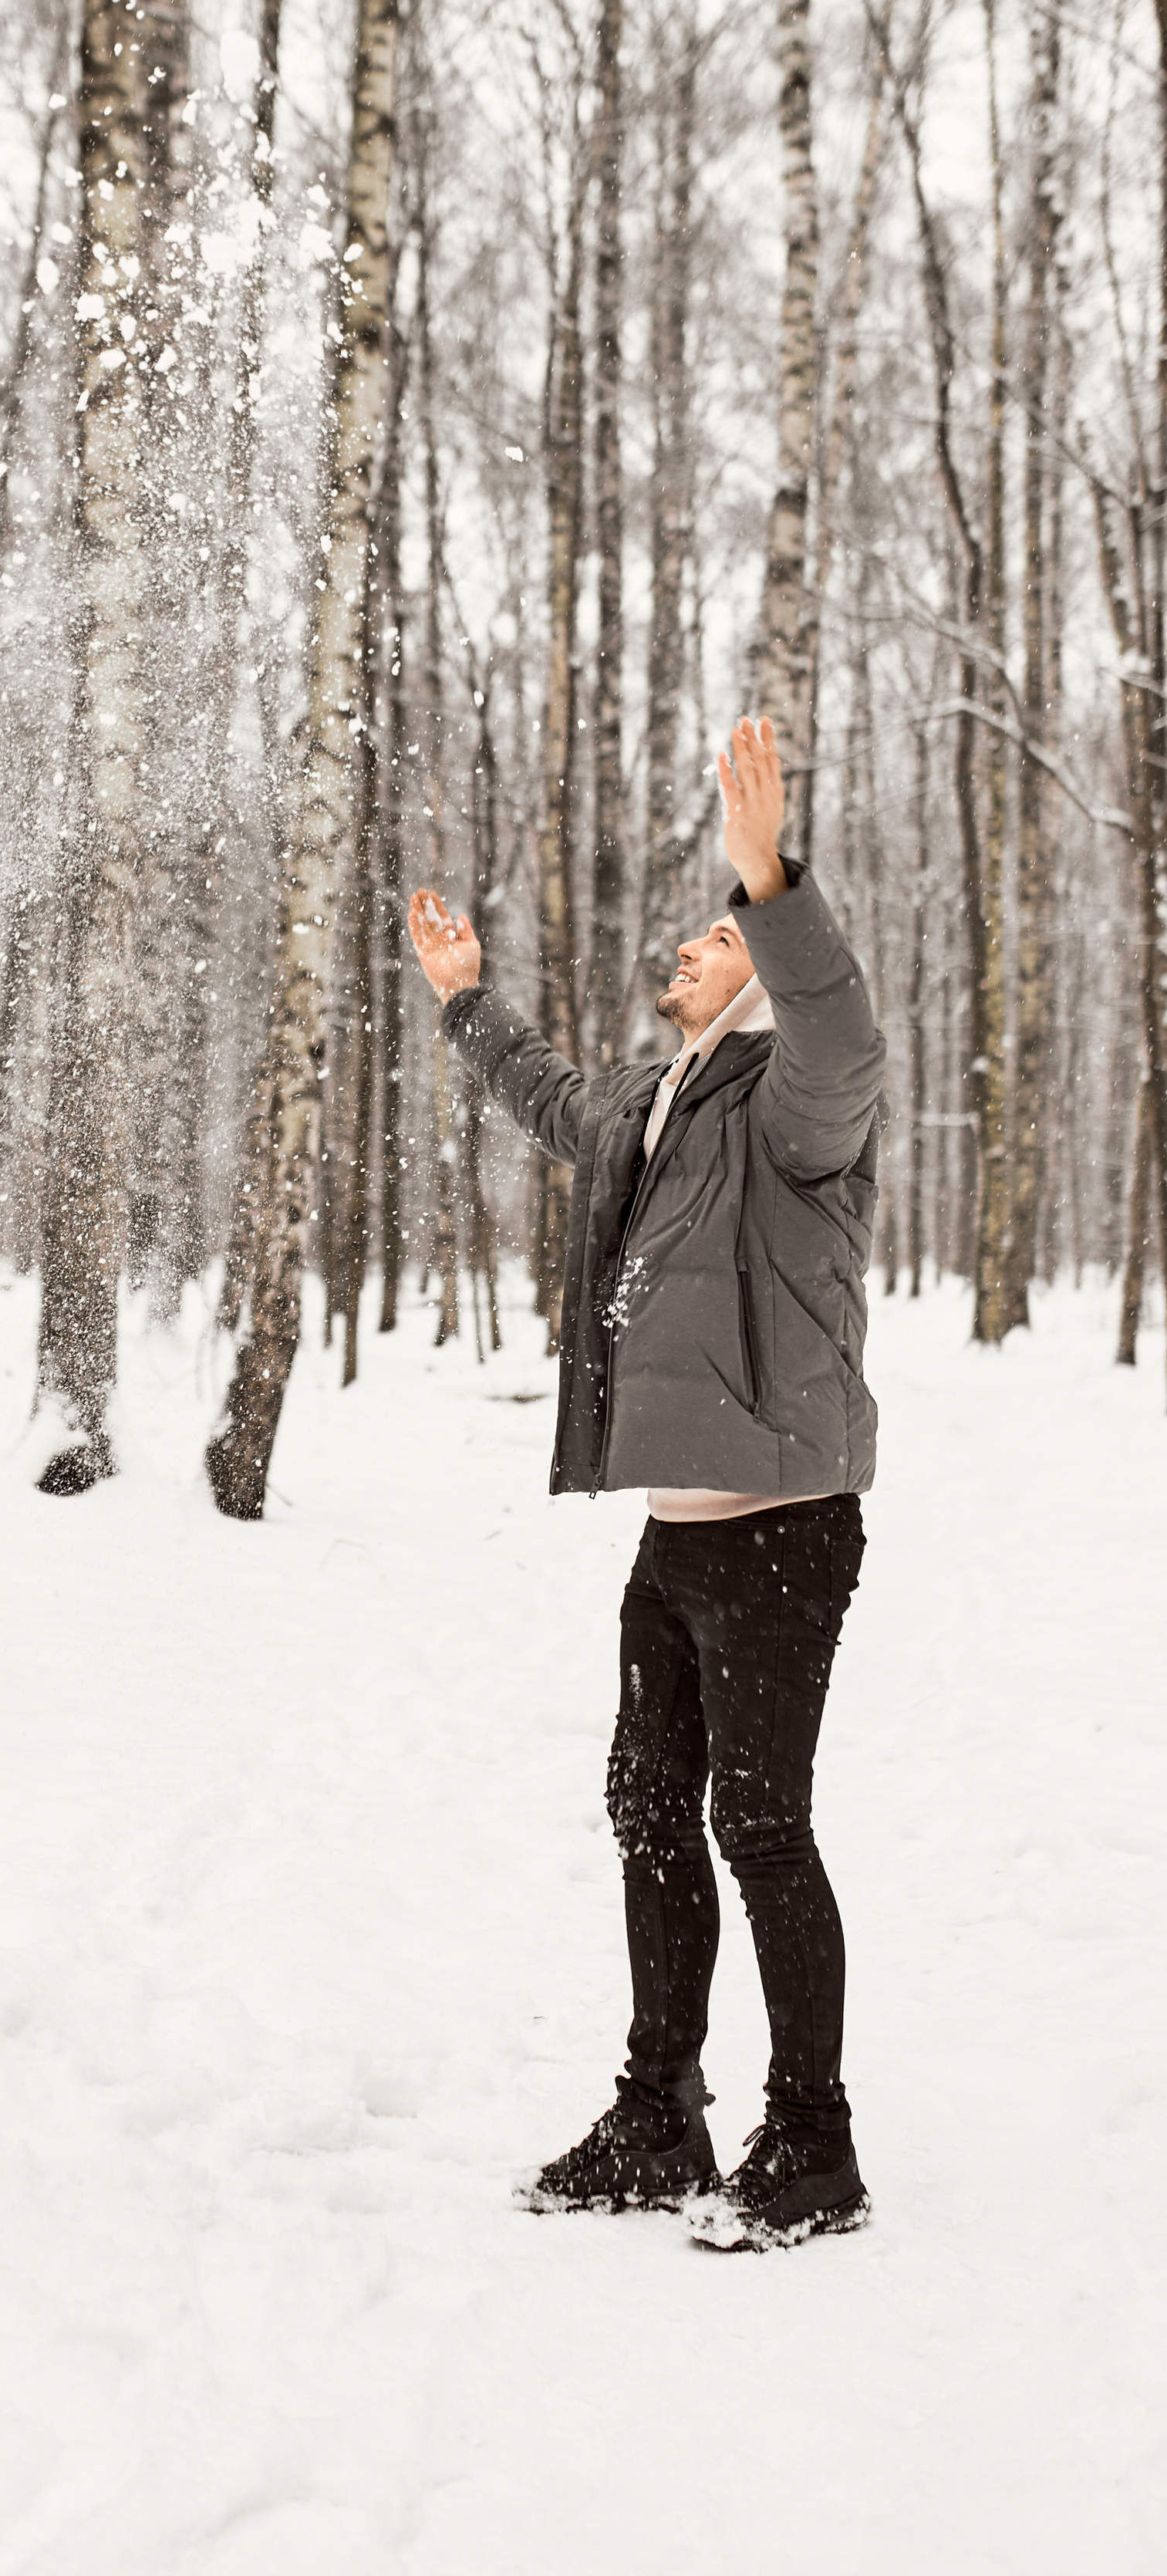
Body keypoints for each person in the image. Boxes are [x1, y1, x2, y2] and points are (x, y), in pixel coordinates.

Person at [407, 717, 882, 2251]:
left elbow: (840, 1026)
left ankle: (809, 2144)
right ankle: (656, 2114)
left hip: (780, 1534)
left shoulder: (797, 1107)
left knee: (757, 1820)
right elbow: (549, 1096)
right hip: (674, 1542)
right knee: (644, 1811)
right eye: (690, 932)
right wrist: (467, 1002)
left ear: (752, 968)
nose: (681, 950)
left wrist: (771, 884)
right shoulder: (657, 1099)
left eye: (707, 935)